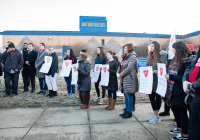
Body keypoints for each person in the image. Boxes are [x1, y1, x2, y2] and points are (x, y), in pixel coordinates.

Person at [165, 41, 193, 140]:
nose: (172, 50)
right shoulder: (174, 59)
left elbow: (185, 78)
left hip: (181, 91)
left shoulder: (187, 61)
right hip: (172, 90)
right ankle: (179, 128)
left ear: (178, 49)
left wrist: (171, 77)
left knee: (182, 113)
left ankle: (185, 134)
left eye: (173, 48)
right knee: (175, 110)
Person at [146, 41, 167, 124]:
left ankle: (157, 116)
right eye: (150, 46)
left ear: (156, 47)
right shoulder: (150, 56)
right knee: (151, 97)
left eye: (152, 46)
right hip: (150, 80)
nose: (151, 48)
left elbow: (164, 67)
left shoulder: (162, 56)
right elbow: (148, 66)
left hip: (159, 81)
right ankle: (155, 115)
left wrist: (157, 71)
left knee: (157, 98)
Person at [182, 47, 200, 140]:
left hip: (196, 93)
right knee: (193, 128)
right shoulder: (198, 55)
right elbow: (189, 68)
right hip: (194, 98)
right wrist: (185, 81)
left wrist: (191, 86)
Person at [118, 43, 138, 118]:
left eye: (126, 48)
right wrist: (118, 72)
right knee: (126, 95)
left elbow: (129, 68)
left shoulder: (132, 57)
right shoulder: (125, 57)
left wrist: (121, 75)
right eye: (124, 48)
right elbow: (121, 66)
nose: (124, 50)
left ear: (130, 48)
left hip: (129, 78)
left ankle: (129, 112)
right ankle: (126, 110)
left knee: (129, 95)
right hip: (124, 78)